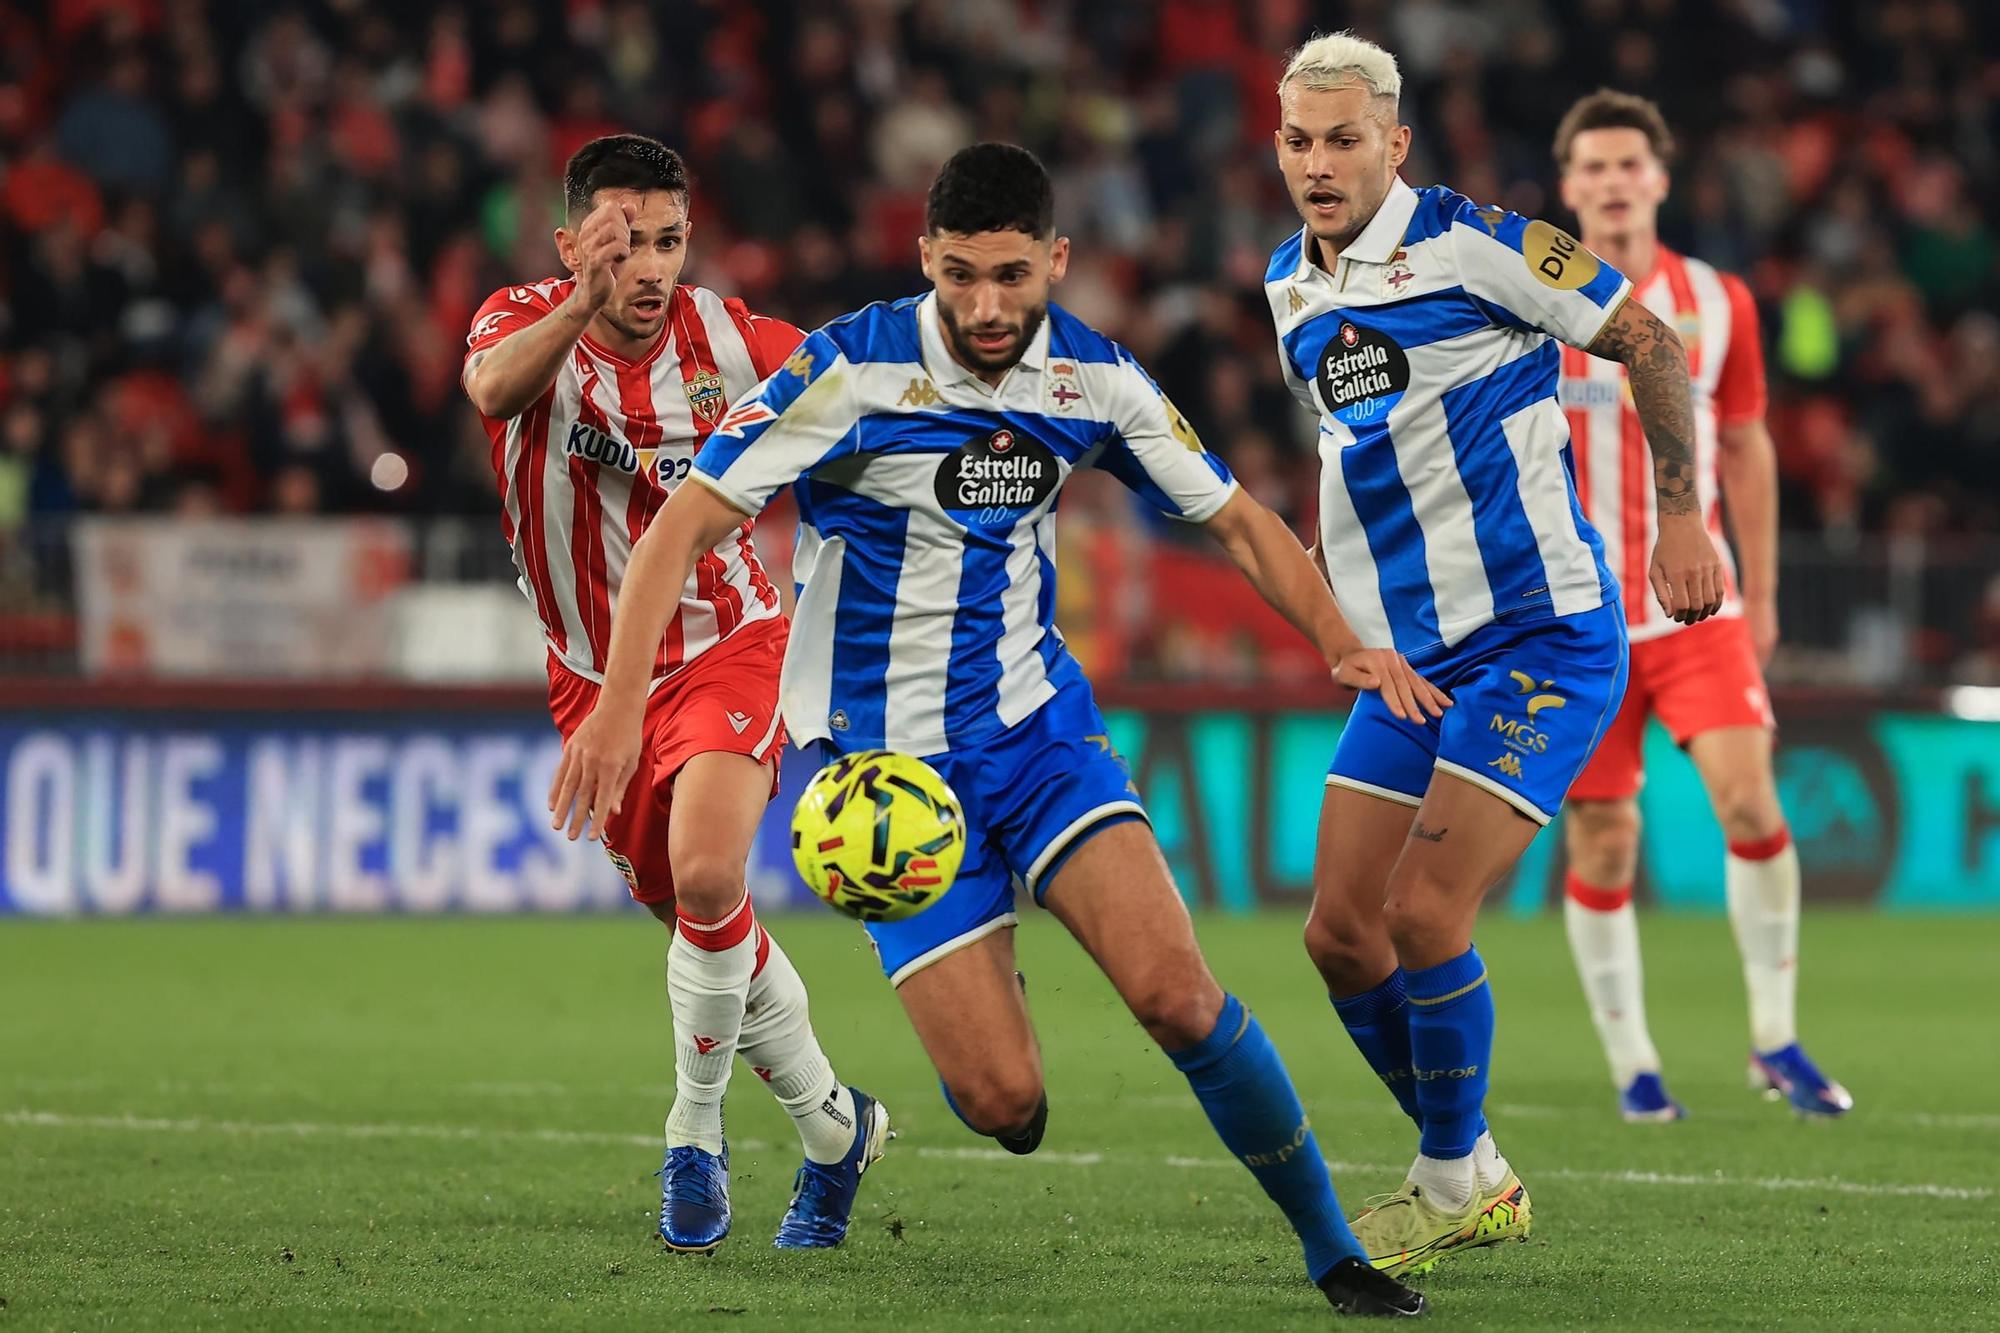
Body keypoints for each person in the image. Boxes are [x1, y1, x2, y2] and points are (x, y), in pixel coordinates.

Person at [550, 141, 1440, 1318]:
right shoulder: (845, 375)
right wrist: (618, 709)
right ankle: (953, 1012)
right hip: (888, 788)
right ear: (924, 258)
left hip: (1035, 738)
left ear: (1056, 262)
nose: (983, 305)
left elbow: (1235, 520)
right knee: (1003, 1107)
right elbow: (676, 532)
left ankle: (1336, 1253)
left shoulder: (1093, 382)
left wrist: (1340, 638)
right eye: (959, 274)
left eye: (1012, 277)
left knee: (1177, 995)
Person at [1264, 35, 1726, 1276]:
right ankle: (1470, 1167)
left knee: (1422, 912)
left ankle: (1442, 1176)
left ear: (1393, 143)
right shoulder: (1287, 288)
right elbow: (1348, 467)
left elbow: (1652, 343)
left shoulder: (1479, 241)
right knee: (1337, 937)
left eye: (1343, 138)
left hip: (1539, 637)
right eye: (1298, 139)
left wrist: (1680, 517)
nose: (1318, 163)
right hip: (1409, 662)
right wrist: (1348, 628)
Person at [462, 133, 885, 1255]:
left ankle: (691, 1139)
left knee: (707, 875)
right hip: (590, 679)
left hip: (727, 643)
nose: (646, 268)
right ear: (570, 244)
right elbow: (493, 391)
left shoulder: (730, 342)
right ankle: (835, 1129)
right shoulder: (517, 322)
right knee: (714, 937)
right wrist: (577, 303)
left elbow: (857, 383)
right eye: (620, 243)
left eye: (665, 242)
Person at [1552, 89, 1852, 1121]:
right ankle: (1633, 1066)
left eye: (1626, 163)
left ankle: (1774, 1040)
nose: (1609, 182)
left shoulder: (1719, 302)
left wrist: (1760, 591)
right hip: (1571, 620)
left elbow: (1746, 445)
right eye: (1590, 167)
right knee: (1602, 842)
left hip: (1694, 607)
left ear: (1658, 179)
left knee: (1749, 804)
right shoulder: (1526, 306)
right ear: (1567, 188)